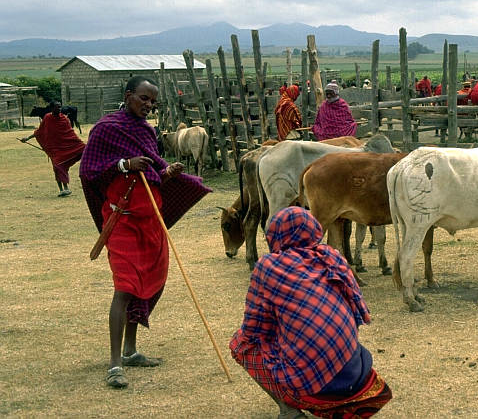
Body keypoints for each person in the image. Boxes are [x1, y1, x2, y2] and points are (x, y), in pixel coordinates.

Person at [79, 76, 211, 389]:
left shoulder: (146, 131)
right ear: (128, 96)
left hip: (150, 221)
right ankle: (114, 364)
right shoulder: (106, 129)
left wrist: (166, 172)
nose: (149, 105)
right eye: (143, 99)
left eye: (153, 101)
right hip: (123, 220)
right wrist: (125, 164)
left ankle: (130, 350)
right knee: (125, 287)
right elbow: (90, 170)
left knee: (150, 285)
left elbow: (152, 175)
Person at [230, 206, 393, 419]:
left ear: (275, 234)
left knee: (240, 344)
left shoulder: (269, 266)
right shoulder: (331, 256)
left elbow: (253, 330)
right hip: (357, 376)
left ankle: (290, 411)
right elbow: (355, 313)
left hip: (314, 387)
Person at [20, 100, 86, 197]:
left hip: (67, 148)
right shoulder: (47, 118)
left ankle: (66, 188)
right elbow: (39, 131)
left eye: (60, 107)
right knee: (57, 167)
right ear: (51, 108)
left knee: (84, 149)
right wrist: (27, 138)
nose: (59, 109)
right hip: (54, 149)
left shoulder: (64, 119)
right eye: (57, 107)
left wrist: (79, 144)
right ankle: (62, 189)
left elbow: (70, 134)